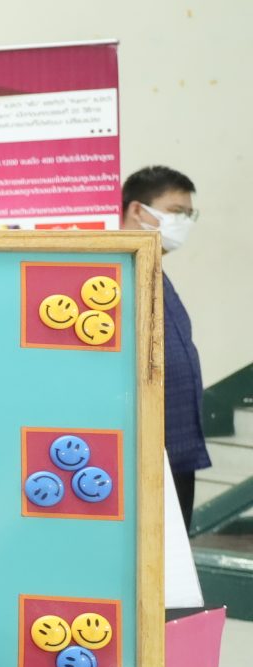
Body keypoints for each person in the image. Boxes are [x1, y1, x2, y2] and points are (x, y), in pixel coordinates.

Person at [123, 165, 208, 522]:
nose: (183, 222)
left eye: (189, 214)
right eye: (176, 211)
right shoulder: (116, 271)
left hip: (175, 445)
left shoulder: (155, 268)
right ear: (138, 210)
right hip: (143, 450)